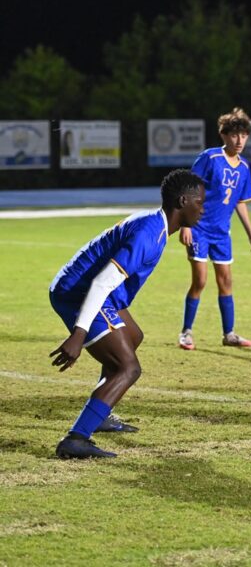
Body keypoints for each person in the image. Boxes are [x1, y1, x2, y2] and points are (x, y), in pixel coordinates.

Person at [49, 170, 206, 459]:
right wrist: (79, 334)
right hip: (77, 292)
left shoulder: (154, 224)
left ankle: (102, 412)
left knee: (133, 336)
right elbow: (101, 282)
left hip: (90, 288)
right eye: (199, 201)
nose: (203, 207)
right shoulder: (149, 234)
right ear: (183, 201)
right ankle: (76, 438)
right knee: (128, 368)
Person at [178, 107, 251, 351]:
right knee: (200, 281)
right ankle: (186, 332)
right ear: (224, 135)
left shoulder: (244, 167)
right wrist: (185, 223)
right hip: (199, 228)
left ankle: (229, 334)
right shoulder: (210, 158)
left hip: (222, 233)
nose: (239, 140)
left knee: (226, 281)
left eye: (244, 135)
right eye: (234, 135)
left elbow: (240, 204)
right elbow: (189, 188)